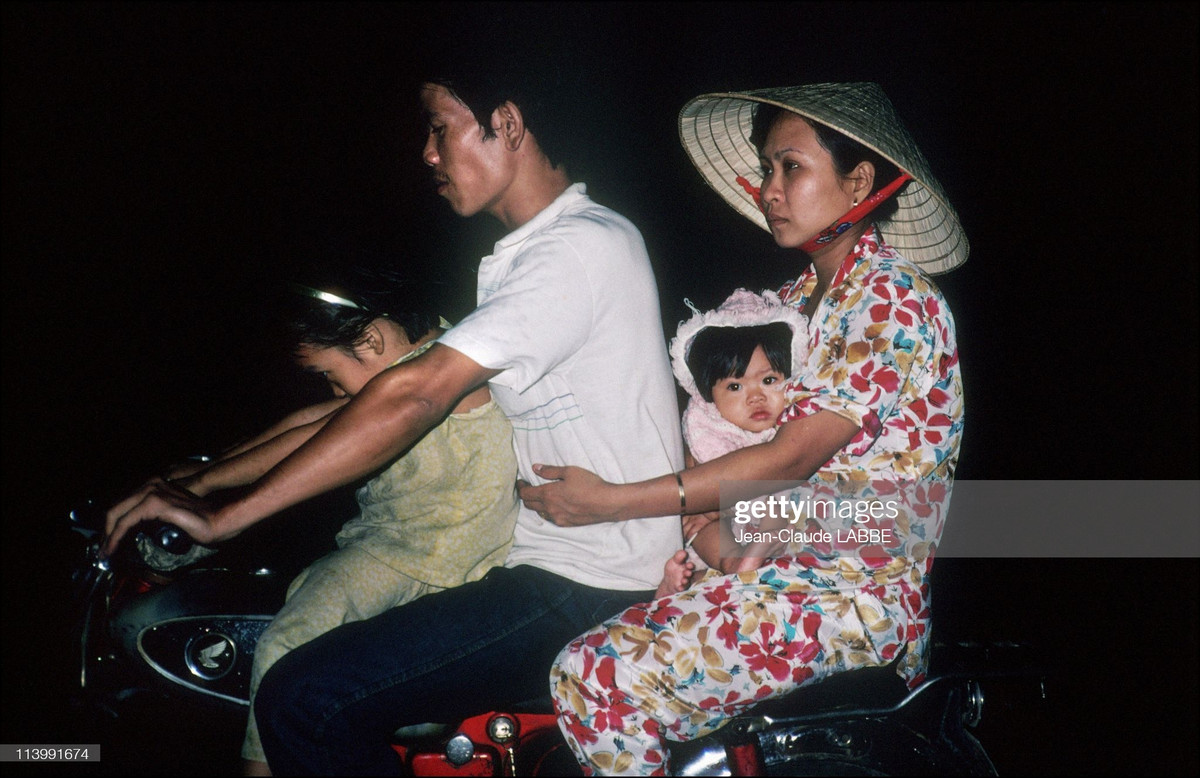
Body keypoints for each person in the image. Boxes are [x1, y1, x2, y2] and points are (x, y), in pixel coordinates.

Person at [104, 52, 685, 774]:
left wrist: (226, 517)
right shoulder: (530, 255)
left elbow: (414, 394)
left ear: (505, 124)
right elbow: (355, 407)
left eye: (440, 128)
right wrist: (202, 483)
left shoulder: (577, 250)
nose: (428, 152)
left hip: (589, 582)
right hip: (545, 564)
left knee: (303, 699)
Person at [520, 81, 967, 775]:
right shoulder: (786, 308)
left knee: (596, 674)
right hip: (776, 573)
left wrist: (610, 499)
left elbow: (791, 458)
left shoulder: (890, 298)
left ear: (858, 182)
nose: (770, 188)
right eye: (766, 169)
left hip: (850, 596)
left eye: (790, 166)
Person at [107, 274, 521, 777]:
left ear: (371, 341)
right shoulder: (418, 352)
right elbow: (307, 422)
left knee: (285, 647)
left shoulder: (442, 373)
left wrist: (214, 500)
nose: (332, 387)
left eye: (330, 372)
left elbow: (323, 434)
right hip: (399, 548)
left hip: (430, 556)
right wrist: (199, 477)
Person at [655, 288, 809, 598]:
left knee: (785, 512)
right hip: (722, 532)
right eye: (735, 386)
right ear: (709, 395)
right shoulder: (707, 428)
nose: (755, 397)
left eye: (769, 381)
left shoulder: (795, 423)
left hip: (770, 526)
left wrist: (718, 509)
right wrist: (710, 511)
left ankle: (718, 573)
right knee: (700, 531)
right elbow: (699, 485)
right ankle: (685, 583)